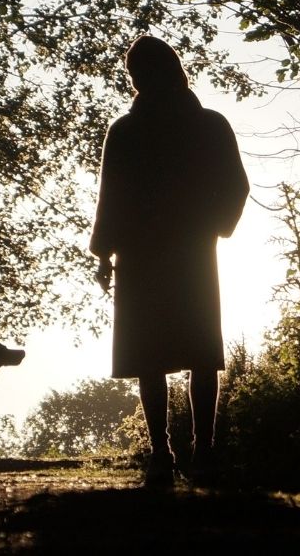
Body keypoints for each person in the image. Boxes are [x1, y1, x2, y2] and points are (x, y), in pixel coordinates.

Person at [89, 35, 249, 487]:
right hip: (187, 252)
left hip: (147, 254)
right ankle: (195, 451)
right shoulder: (208, 124)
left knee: (156, 353)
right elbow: (236, 186)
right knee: (189, 351)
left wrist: (105, 251)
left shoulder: (126, 130)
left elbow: (111, 200)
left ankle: (172, 453)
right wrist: (214, 226)